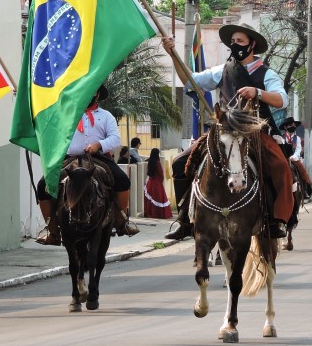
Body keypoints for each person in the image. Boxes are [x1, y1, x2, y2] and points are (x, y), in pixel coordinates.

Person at [160, 23, 294, 240]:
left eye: (240, 41)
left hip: (254, 132)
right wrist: (172, 54)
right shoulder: (221, 71)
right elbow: (189, 80)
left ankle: (277, 219)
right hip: (222, 131)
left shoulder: (267, 74)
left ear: (252, 45)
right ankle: (185, 219)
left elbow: (281, 100)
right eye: (233, 42)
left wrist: (257, 92)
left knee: (280, 166)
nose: (235, 45)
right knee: (179, 163)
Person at [35, 84, 139, 245]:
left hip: (99, 158)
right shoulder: (65, 114)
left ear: (97, 94)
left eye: (91, 90)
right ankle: (52, 229)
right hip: (70, 159)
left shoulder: (106, 116)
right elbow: (52, 134)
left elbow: (115, 139)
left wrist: (98, 144)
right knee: (42, 185)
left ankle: (121, 221)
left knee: (123, 180)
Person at [282, 117, 312, 198]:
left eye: (294, 125)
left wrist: (293, 157)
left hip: (294, 158)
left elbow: (298, 150)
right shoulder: (282, 138)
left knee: (302, 169)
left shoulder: (297, 138)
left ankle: (305, 189)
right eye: (291, 125)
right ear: (285, 127)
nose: (293, 126)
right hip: (283, 158)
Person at [143, 148, 172, 219]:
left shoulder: (150, 161)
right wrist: (161, 181)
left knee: (150, 198)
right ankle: (159, 214)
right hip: (157, 182)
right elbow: (161, 173)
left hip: (150, 181)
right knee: (159, 198)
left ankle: (149, 213)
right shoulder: (157, 162)